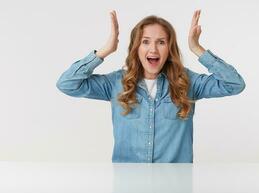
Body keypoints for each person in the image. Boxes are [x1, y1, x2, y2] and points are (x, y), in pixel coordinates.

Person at [56, 10, 246, 163]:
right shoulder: (115, 83)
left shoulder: (187, 81)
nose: (153, 49)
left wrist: (197, 49)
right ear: (136, 48)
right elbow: (67, 84)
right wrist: (105, 50)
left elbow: (234, 84)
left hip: (174, 188)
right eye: (145, 42)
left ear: (169, 49)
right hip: (128, 187)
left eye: (161, 42)